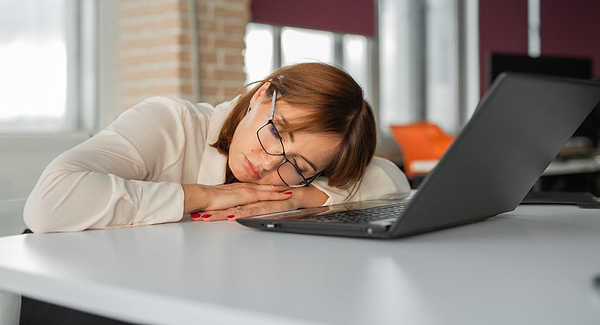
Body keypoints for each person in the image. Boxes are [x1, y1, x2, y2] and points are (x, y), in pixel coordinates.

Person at [23, 62, 410, 233]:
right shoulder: (169, 122)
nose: (267, 163)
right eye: (277, 132)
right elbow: (48, 203)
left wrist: (303, 198)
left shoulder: (299, 183)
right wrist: (205, 195)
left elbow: (390, 181)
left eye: (297, 164)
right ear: (262, 95)